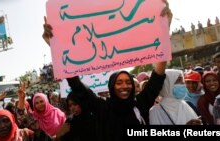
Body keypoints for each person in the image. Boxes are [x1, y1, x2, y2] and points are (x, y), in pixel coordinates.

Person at [43, 0, 172, 140]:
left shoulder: (139, 104)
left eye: (128, 82)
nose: (125, 86)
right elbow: (77, 86)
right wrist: (57, 47)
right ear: (111, 86)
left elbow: (157, 77)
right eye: (119, 82)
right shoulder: (102, 107)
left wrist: (164, 29)